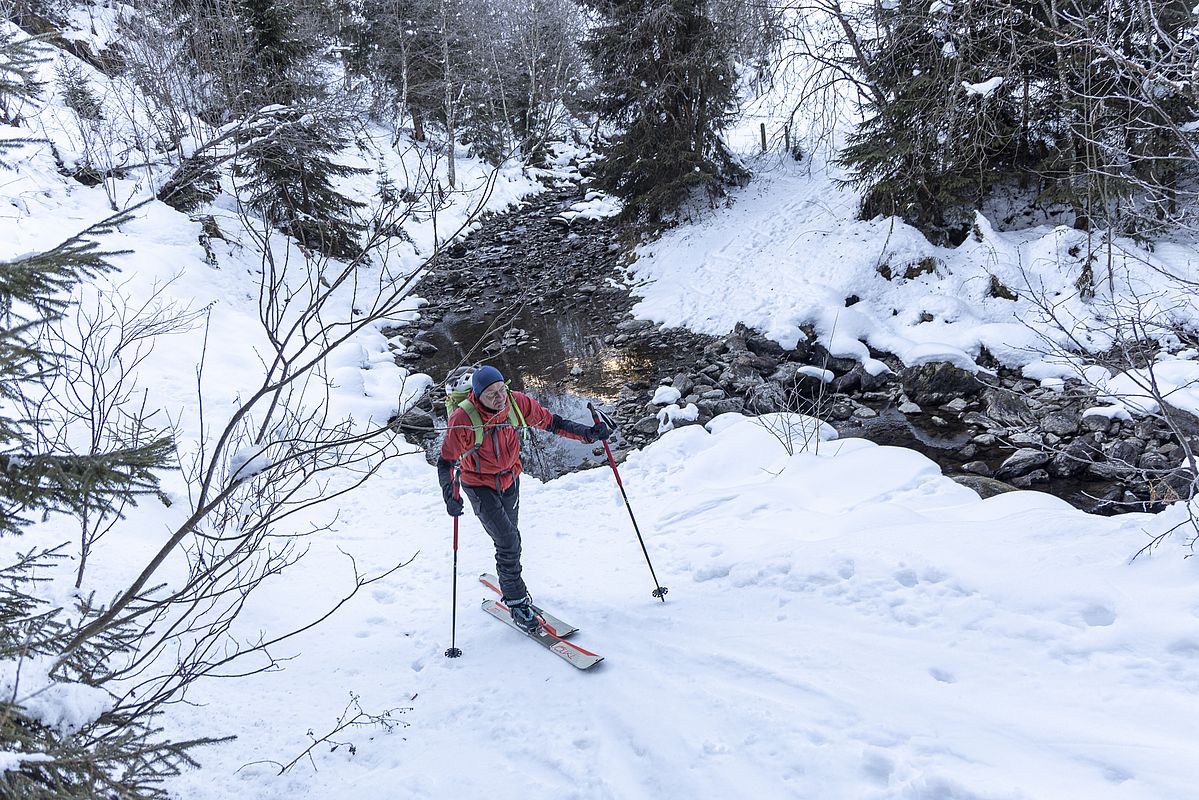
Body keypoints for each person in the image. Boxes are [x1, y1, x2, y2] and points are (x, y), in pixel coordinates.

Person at [436, 365, 612, 633]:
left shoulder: (515, 403)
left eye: (501, 390)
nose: (499, 398)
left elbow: (553, 423)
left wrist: (588, 434)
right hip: (479, 485)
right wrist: (449, 493)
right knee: (508, 541)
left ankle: (510, 582)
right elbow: (446, 461)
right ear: (477, 395)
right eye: (491, 394)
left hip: (510, 480)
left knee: (510, 539)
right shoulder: (463, 419)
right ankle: (517, 602)